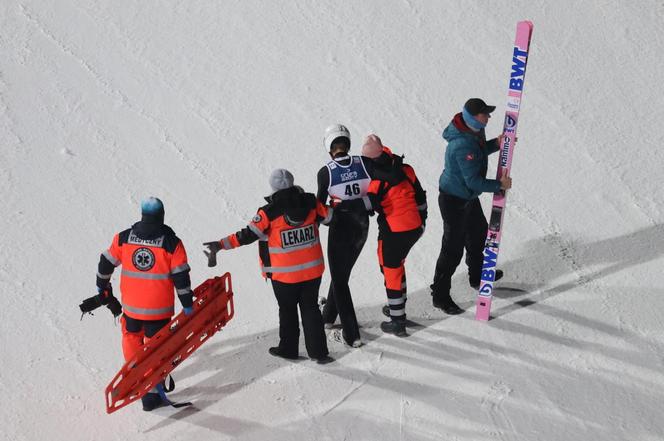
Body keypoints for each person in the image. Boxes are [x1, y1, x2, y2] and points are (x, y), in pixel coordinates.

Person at [203, 169, 334, 364]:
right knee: (311, 309)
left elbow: (246, 236)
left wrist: (220, 245)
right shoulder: (311, 202)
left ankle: (288, 349)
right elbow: (330, 217)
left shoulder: (268, 212)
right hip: (312, 271)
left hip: (284, 276)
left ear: (273, 188)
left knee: (287, 311)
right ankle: (319, 353)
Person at [95, 197, 194, 411]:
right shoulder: (171, 243)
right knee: (155, 350)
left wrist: (101, 286)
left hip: (131, 309)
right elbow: (181, 278)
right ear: (161, 215)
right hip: (158, 313)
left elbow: (105, 262)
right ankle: (150, 394)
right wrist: (187, 304)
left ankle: (134, 380)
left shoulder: (124, 238)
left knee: (132, 342)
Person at [430, 98, 511, 314]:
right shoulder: (462, 144)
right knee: (452, 249)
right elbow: (473, 181)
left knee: (478, 234)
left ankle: (477, 276)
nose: (489, 117)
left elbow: (480, 151)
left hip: (467, 197)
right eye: (485, 114)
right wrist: (499, 185)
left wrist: (496, 143)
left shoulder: (474, 131)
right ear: (473, 117)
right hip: (453, 200)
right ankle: (440, 295)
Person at [361, 135, 427, 336]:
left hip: (394, 230)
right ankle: (398, 306)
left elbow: (368, 206)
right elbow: (420, 196)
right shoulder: (406, 169)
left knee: (390, 270)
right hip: (415, 226)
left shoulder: (375, 181)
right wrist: (423, 220)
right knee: (397, 265)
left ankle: (397, 320)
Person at [316, 124, 373, 348]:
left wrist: (327, 220)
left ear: (329, 147)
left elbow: (319, 207)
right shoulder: (363, 163)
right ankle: (328, 317)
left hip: (340, 227)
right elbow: (377, 191)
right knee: (342, 273)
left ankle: (352, 334)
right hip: (362, 226)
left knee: (340, 280)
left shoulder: (325, 172)